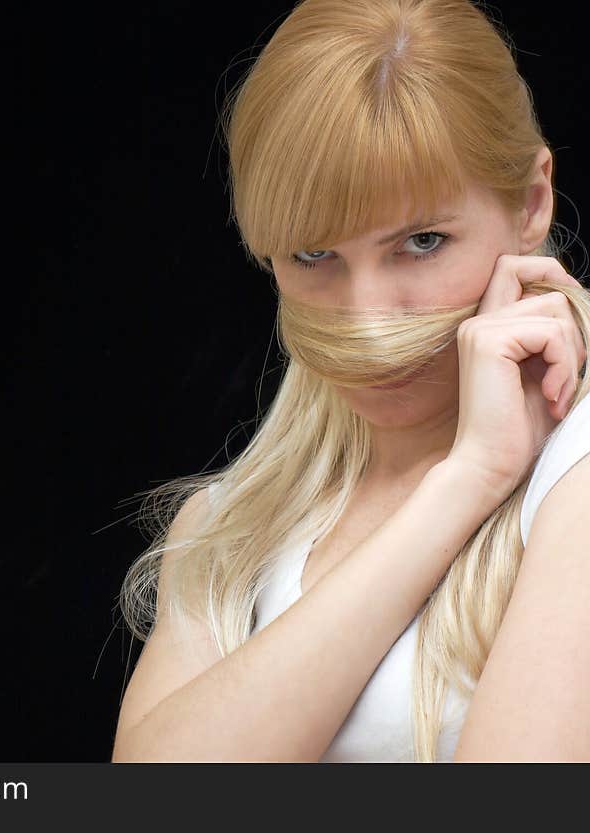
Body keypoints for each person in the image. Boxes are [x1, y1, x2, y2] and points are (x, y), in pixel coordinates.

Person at [112, 0, 590, 762]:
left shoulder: (581, 470)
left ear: (531, 203)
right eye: (313, 256)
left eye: (422, 242)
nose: (368, 321)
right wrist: (466, 480)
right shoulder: (228, 527)